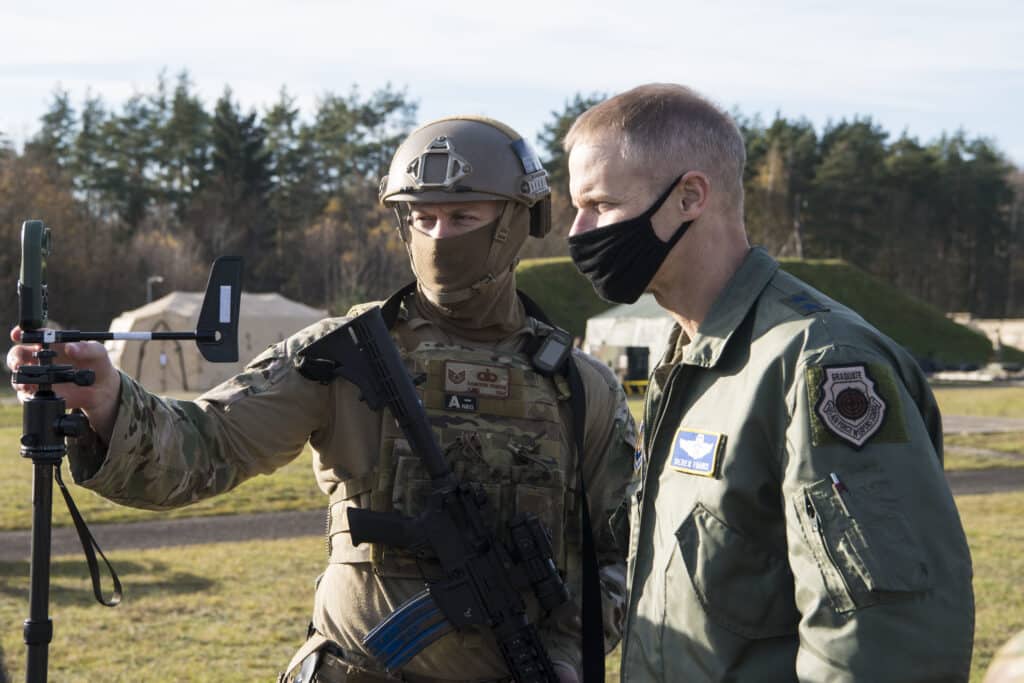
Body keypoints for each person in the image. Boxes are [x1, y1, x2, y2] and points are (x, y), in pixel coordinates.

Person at [8, 116, 636, 682]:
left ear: (517, 223)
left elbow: (625, 557)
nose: (440, 236)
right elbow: (211, 442)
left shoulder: (580, 387)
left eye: (464, 217)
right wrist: (111, 400)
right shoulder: (344, 351)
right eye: (423, 218)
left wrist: (565, 657)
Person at [563, 83, 975, 681]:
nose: (579, 232)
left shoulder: (819, 361)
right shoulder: (691, 361)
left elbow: (879, 641)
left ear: (690, 197)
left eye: (599, 204)